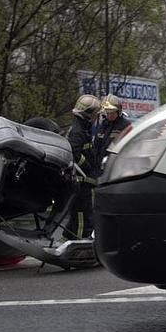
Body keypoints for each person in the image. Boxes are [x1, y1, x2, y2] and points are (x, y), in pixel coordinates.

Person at [63, 94, 101, 240]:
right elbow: (74, 153)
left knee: (82, 215)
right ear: (88, 115)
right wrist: (88, 168)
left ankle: (69, 238)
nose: (96, 119)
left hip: (83, 183)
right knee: (81, 217)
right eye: (95, 115)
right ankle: (79, 243)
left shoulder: (82, 129)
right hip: (79, 183)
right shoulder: (78, 132)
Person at [93, 94, 131, 177]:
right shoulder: (103, 125)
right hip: (100, 168)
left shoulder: (125, 126)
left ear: (118, 111)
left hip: (116, 169)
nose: (110, 115)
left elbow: (127, 149)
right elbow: (96, 146)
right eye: (107, 112)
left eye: (112, 113)